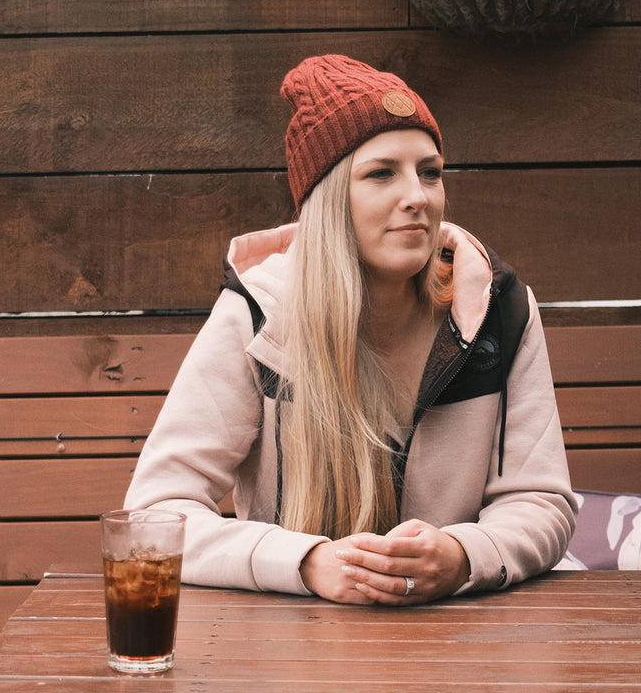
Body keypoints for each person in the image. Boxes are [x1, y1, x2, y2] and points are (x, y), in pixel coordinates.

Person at [125, 54, 577, 603]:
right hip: (294, 638)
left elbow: (541, 502)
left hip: (460, 633)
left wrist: (462, 557)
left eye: (430, 172)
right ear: (328, 199)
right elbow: (153, 516)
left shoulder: (497, 310)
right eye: (382, 173)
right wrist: (305, 562)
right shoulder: (259, 314)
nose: (418, 196)